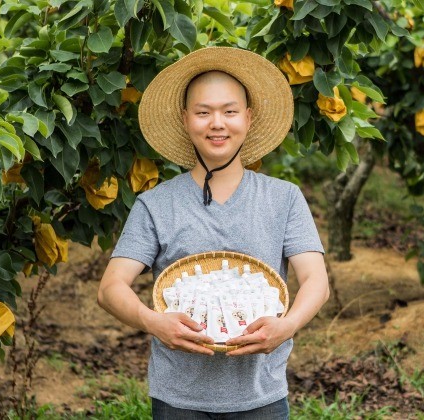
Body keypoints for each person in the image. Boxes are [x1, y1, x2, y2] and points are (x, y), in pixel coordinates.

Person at [97, 47, 329, 419]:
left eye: (230, 111)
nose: (217, 123)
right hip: (178, 400)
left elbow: (316, 279)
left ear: (249, 118)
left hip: (262, 397)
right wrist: (155, 323)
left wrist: (286, 326)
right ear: (185, 119)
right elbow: (110, 289)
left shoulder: (283, 198)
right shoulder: (156, 204)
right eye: (203, 112)